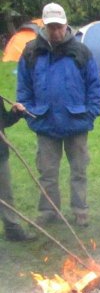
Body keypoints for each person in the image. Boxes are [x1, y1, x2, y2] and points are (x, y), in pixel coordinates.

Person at [16, 2, 100, 227]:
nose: (55, 31)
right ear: (44, 26)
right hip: (44, 122)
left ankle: (80, 211)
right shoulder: (31, 51)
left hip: (77, 123)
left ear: (66, 25)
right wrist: (28, 112)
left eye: (59, 26)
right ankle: (48, 212)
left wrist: (91, 113)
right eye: (51, 27)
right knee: (47, 173)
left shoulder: (81, 51)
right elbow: (23, 87)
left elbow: (94, 86)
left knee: (79, 172)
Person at [0, 100, 36, 241]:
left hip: (0, 154)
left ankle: (13, 230)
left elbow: (4, 121)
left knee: (5, 194)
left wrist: (15, 113)